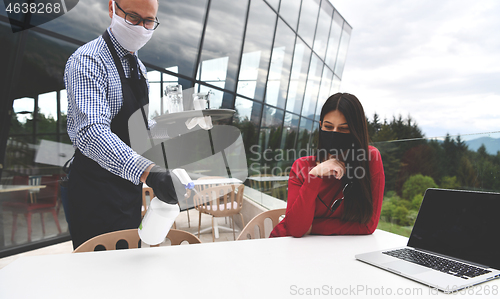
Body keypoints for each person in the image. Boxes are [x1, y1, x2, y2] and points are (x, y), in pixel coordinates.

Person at [64, 0, 183, 249]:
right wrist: (150, 172)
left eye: (148, 21)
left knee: (128, 266)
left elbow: (140, 127)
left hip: (128, 189)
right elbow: (91, 132)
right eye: (132, 17)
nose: (141, 27)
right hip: (93, 192)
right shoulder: (88, 60)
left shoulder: (138, 67)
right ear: (112, 9)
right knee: (98, 276)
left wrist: (174, 129)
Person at [270, 93, 385, 237]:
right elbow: (295, 229)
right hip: (285, 245)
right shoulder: (302, 166)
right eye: (328, 127)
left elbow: (368, 226)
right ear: (321, 126)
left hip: (330, 250)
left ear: (356, 130)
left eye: (343, 129)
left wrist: (313, 226)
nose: (335, 134)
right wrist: (315, 175)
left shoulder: (370, 159)